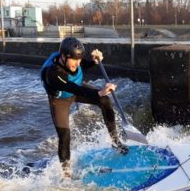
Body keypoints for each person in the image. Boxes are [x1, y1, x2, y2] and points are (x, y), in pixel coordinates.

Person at [41, 37, 128, 178]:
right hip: (60, 100)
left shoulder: (73, 61)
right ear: (63, 57)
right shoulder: (52, 73)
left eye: (79, 59)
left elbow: (81, 66)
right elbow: (71, 87)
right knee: (64, 135)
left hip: (77, 90)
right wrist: (98, 92)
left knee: (104, 100)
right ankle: (66, 175)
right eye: (74, 60)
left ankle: (115, 142)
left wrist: (95, 60)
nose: (78, 63)